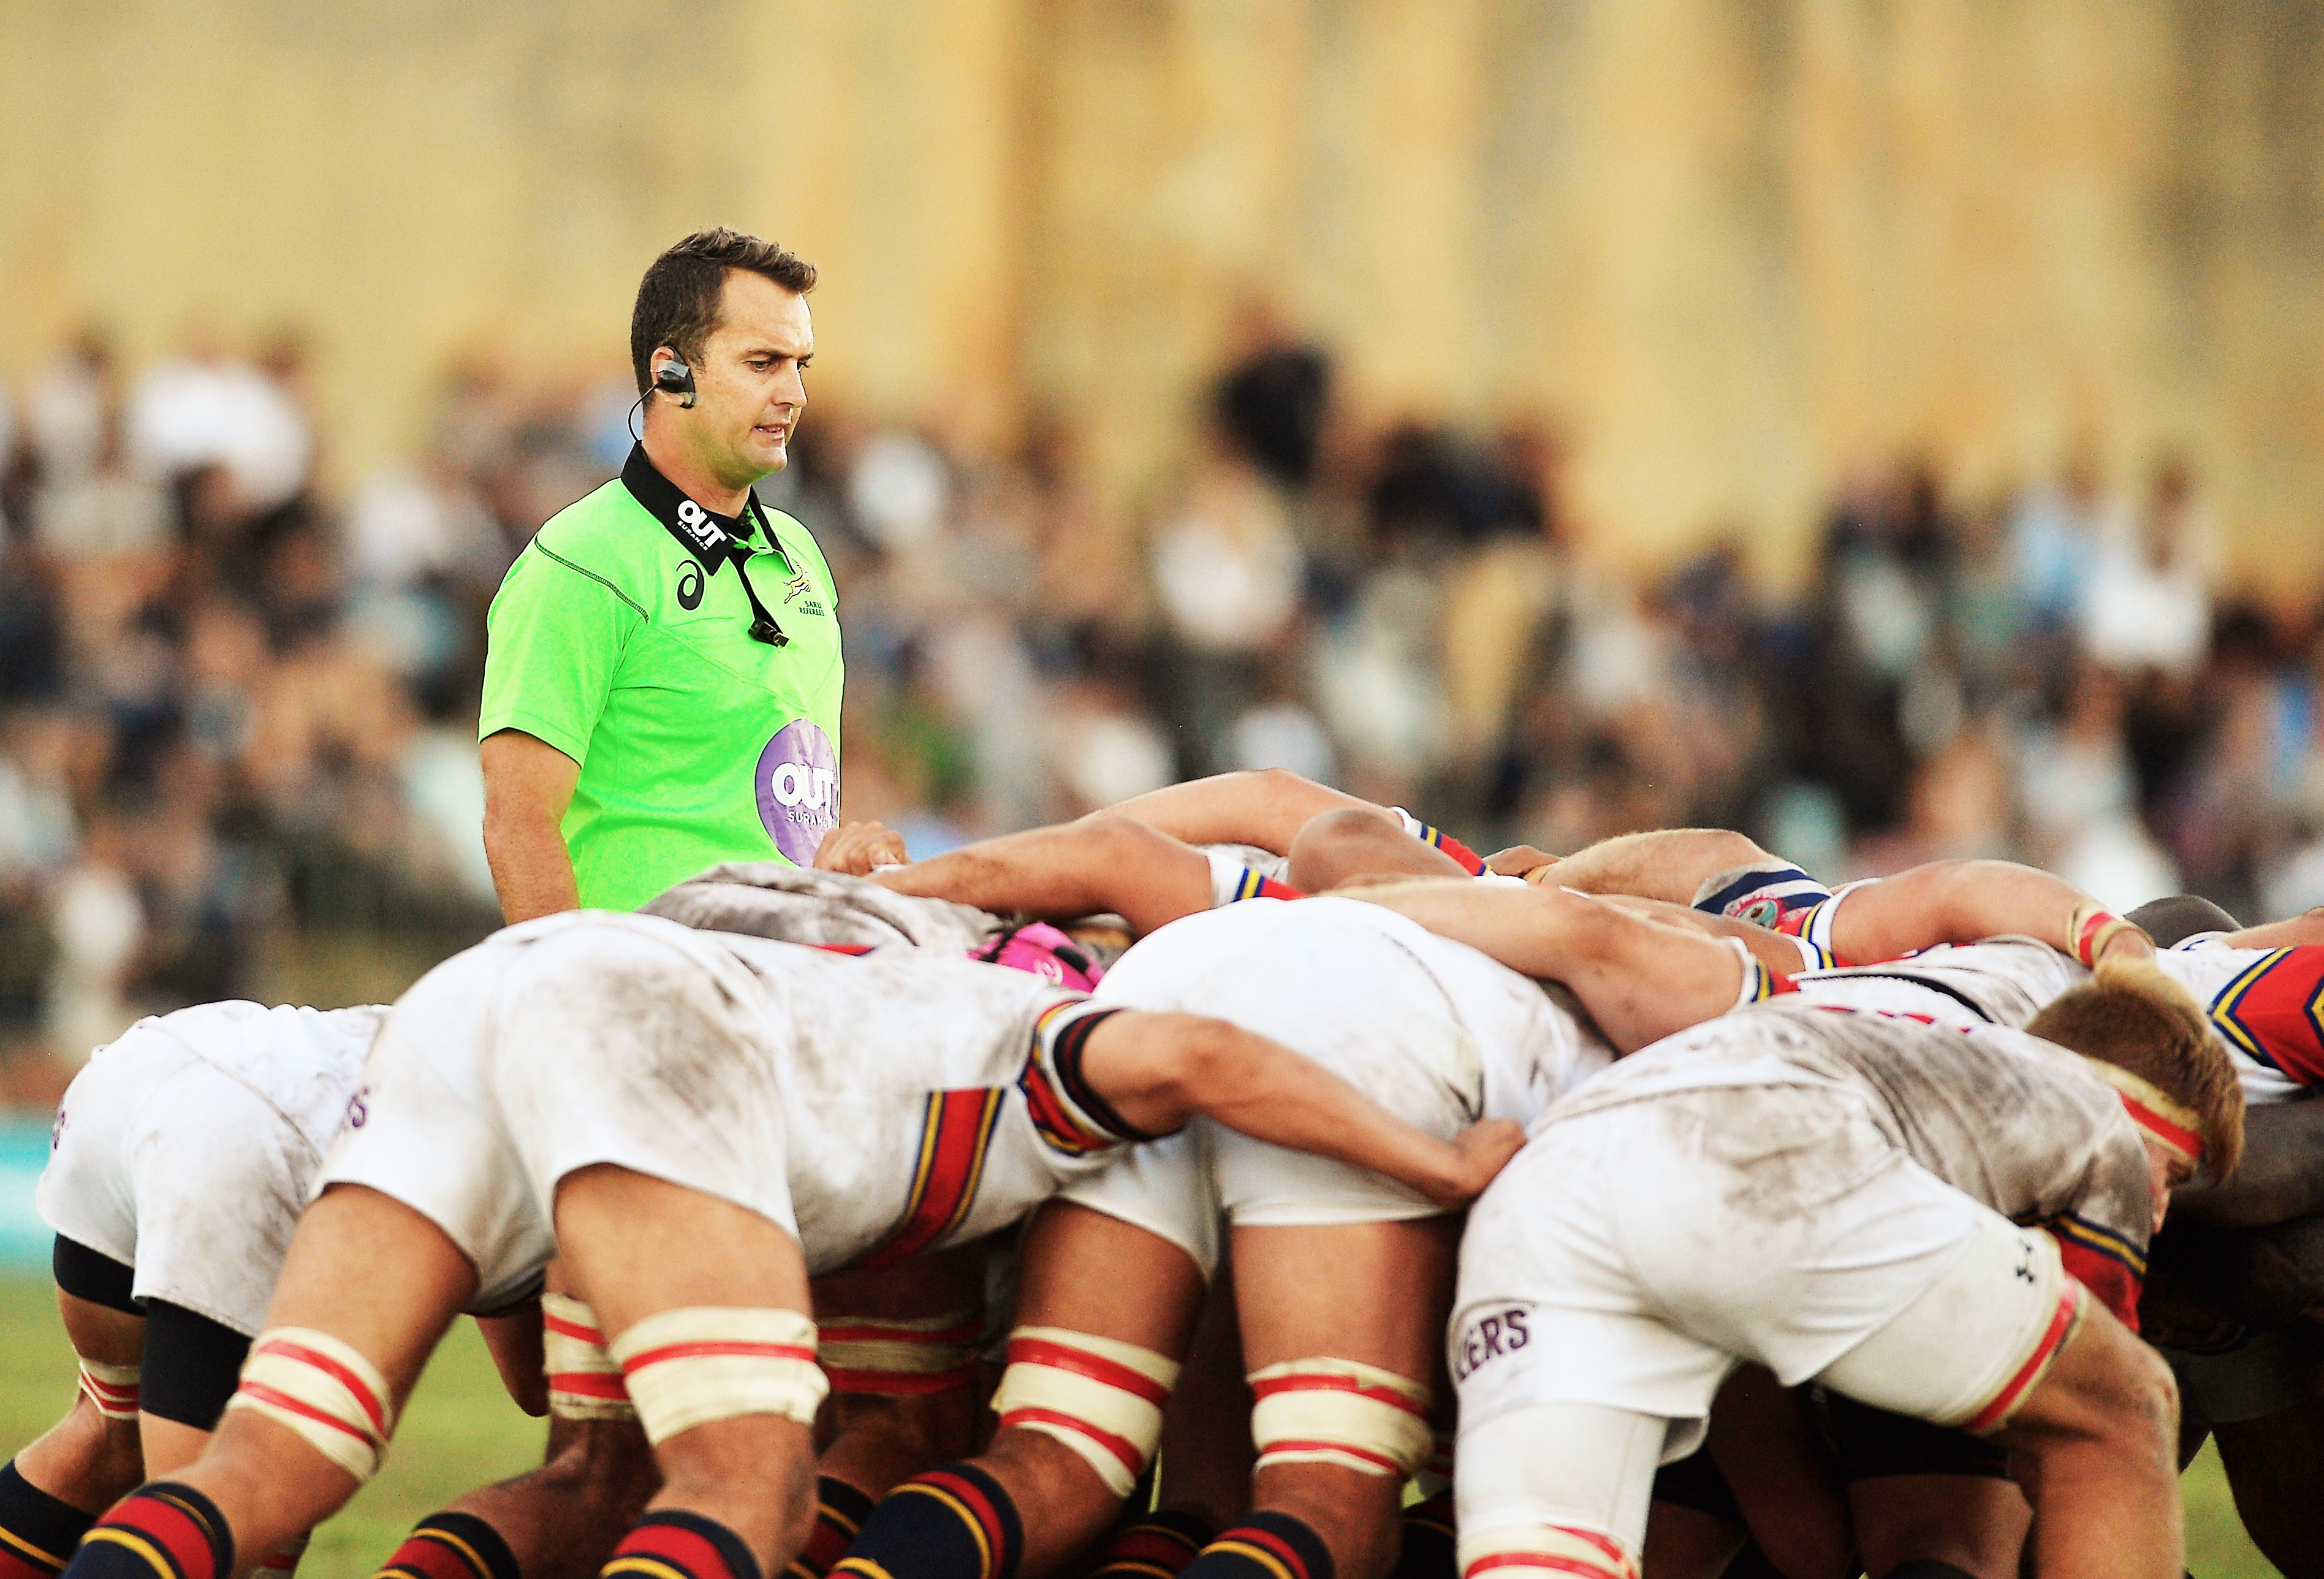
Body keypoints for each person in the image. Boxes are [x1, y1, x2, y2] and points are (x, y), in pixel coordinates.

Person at [55, 909, 1516, 1579]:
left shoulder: (894, 961)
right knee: (743, 1489)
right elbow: (1195, 1054)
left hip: (474, 998)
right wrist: (1434, 1160)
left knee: (277, 1451)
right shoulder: (1028, 1023)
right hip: (645, 1031)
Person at [834, 891, 1620, 1579]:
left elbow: (1163, 840)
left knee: (1062, 1454)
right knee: (1329, 1495)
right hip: (1349, 1013)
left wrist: (903, 879)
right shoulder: (1643, 962)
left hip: (1159, 980)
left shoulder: (1429, 887)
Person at [1443, 956, 2239, 1579]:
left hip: (1548, 1180)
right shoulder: (2094, 1116)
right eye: (2171, 1175)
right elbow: (2070, 1424)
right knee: (2121, 1411)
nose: (2159, 1212)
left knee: (1552, 1560)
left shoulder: (1909, 1029)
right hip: (1762, 1146)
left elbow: (1806, 1538)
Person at [0, 1002, 543, 1579]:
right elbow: (537, 1379)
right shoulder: (567, 1114)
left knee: (111, 1429)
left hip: (137, 1072)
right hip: (246, 1135)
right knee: (248, 1489)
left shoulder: (500, 1028)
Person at [480, 227, 887, 923]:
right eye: (762, 363)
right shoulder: (582, 558)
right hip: (649, 980)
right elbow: (518, 821)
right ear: (672, 373)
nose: (794, 393)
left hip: (790, 971)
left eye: (800, 366)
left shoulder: (801, 554)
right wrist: (583, 983)